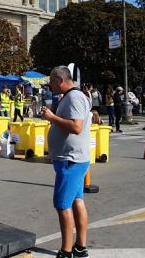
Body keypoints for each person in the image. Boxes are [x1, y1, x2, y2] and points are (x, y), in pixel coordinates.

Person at [41, 66, 90, 258]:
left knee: (62, 205)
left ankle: (67, 250)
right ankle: (80, 247)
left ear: (60, 80)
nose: (50, 85)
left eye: (52, 81)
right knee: (77, 200)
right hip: (73, 159)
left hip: (70, 160)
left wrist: (52, 117)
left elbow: (76, 127)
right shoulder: (71, 97)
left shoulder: (74, 97)